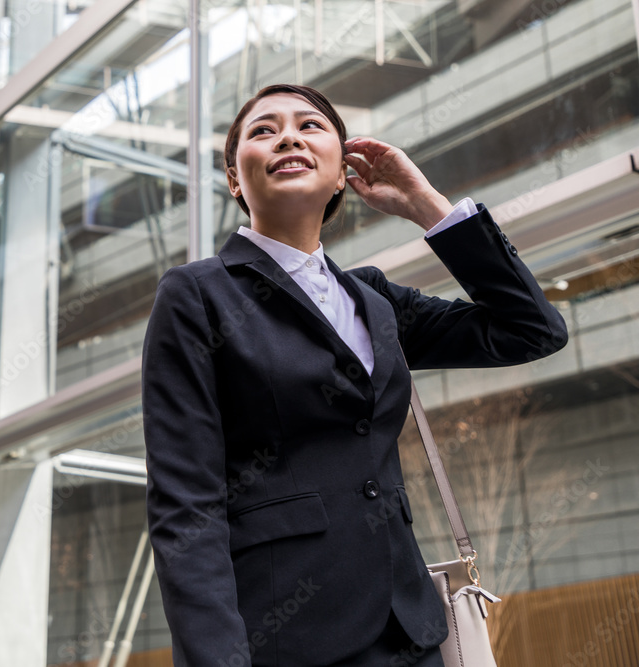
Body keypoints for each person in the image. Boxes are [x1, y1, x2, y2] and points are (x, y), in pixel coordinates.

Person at [141, 84, 568, 667]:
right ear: (236, 180)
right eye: (263, 130)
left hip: (412, 632)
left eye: (310, 125)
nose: (288, 134)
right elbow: (186, 505)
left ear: (342, 172)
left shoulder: (373, 298)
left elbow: (532, 330)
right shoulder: (197, 295)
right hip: (287, 640)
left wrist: (426, 206)